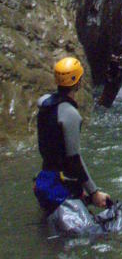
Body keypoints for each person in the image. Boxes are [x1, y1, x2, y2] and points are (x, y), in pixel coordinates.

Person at [34, 56, 111, 214]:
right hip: (60, 186)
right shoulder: (70, 114)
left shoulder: (44, 103)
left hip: (44, 180)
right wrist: (94, 193)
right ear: (79, 82)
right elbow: (74, 159)